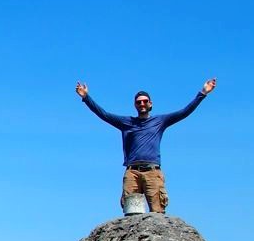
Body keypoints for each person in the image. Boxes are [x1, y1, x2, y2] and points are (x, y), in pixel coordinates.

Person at [75, 79, 217, 213]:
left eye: (144, 101)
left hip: (152, 172)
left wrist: (203, 93)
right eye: (138, 102)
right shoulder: (126, 122)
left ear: (150, 103)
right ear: (135, 105)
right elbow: (103, 114)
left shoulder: (160, 121)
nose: (142, 104)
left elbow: (184, 112)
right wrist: (86, 97)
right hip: (132, 172)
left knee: (157, 213)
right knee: (131, 214)